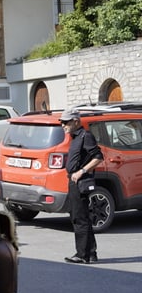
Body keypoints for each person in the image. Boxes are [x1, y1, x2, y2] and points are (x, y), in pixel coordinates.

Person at [60, 109, 104, 264]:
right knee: (80, 216)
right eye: (62, 122)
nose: (63, 125)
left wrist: (81, 171)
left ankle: (81, 255)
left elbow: (98, 157)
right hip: (74, 180)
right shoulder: (75, 137)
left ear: (76, 121)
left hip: (81, 181)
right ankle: (91, 253)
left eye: (66, 122)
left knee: (80, 218)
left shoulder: (86, 136)